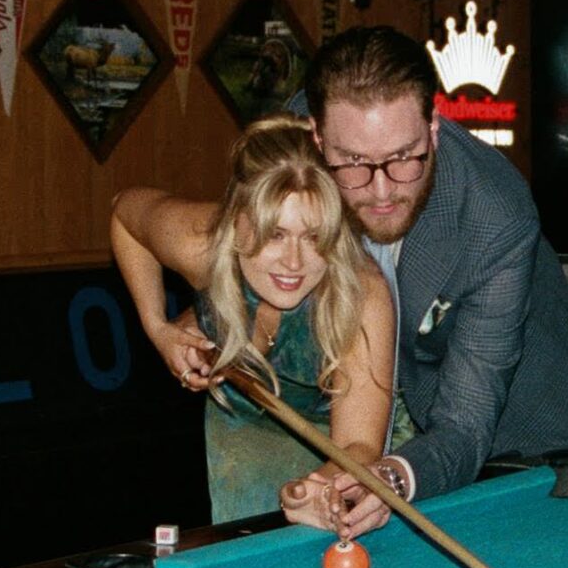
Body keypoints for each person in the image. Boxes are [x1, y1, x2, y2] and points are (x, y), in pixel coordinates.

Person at [291, 25, 568, 535]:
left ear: (434, 129)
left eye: (404, 157)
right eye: (351, 163)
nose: (382, 190)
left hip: (520, 446)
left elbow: (464, 423)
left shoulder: (495, 219)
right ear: (317, 137)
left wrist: (390, 474)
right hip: (390, 414)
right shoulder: (289, 143)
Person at [111, 116, 403, 527]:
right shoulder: (202, 244)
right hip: (242, 418)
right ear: (236, 221)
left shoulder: (361, 293)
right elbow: (125, 213)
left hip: (335, 433)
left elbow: (357, 444)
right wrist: (158, 328)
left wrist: (317, 487)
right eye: (276, 234)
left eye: (314, 236)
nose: (294, 262)